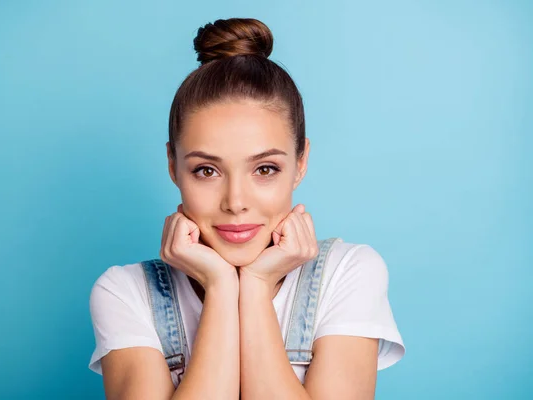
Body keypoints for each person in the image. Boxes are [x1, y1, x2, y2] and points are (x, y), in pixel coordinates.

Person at [88, 17, 405, 399]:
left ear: (301, 162)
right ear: (173, 166)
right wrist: (222, 288)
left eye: (265, 169)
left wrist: (254, 288)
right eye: (207, 170)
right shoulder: (126, 293)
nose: (236, 202)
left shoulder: (349, 273)